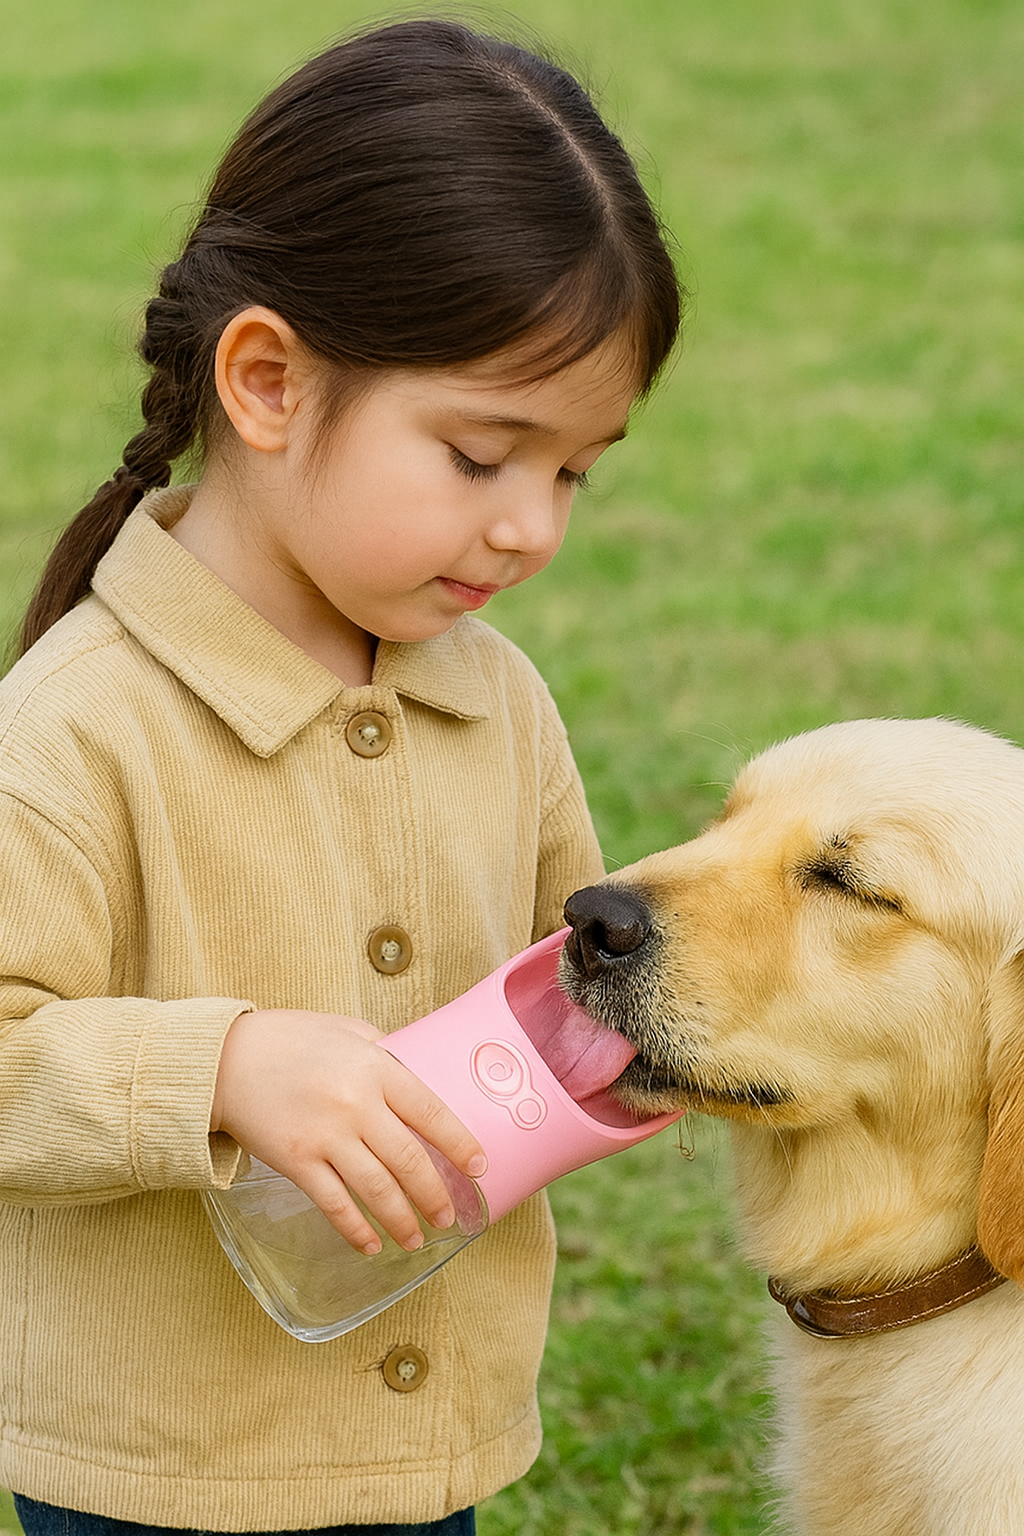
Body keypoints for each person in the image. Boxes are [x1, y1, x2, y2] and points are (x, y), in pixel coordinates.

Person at [0, 16, 681, 1536]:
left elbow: (570, 974)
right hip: (160, 1482)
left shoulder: (496, 702)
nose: (531, 530)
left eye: (574, 471)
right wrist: (223, 1068)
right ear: (267, 383)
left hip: (432, 1443)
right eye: (482, 455)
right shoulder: (76, 730)